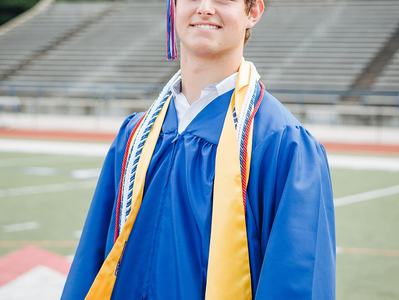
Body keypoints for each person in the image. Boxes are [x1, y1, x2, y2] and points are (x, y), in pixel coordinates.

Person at [62, 0, 336, 299]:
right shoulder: (135, 136)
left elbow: (296, 281)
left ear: (253, 12)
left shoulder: (283, 145)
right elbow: (91, 259)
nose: (205, 8)